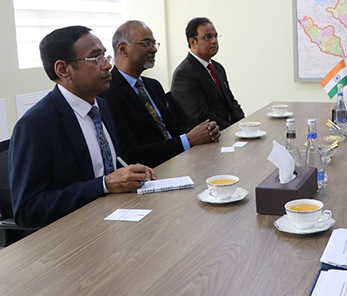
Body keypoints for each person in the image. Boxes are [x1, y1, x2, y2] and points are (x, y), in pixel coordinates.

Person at [9, 26, 156, 229]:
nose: (107, 65)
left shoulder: (102, 106)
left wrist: (130, 173)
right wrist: (104, 185)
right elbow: (28, 210)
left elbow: (106, 166)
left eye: (105, 55)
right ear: (63, 70)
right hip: (71, 234)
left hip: (115, 218)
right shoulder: (36, 124)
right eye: (95, 58)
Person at [100, 20, 220, 168]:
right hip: (153, 172)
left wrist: (205, 130)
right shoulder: (108, 93)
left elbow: (173, 130)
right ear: (123, 50)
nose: (154, 49)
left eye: (154, 43)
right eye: (146, 43)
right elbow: (130, 154)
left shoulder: (153, 85)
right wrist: (188, 139)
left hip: (180, 161)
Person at [171, 17, 245, 130]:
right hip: (211, 135)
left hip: (229, 130)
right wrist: (232, 130)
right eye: (208, 37)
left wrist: (243, 125)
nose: (214, 41)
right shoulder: (184, 74)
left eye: (215, 36)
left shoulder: (218, 67)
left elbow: (231, 103)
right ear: (193, 42)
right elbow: (201, 117)